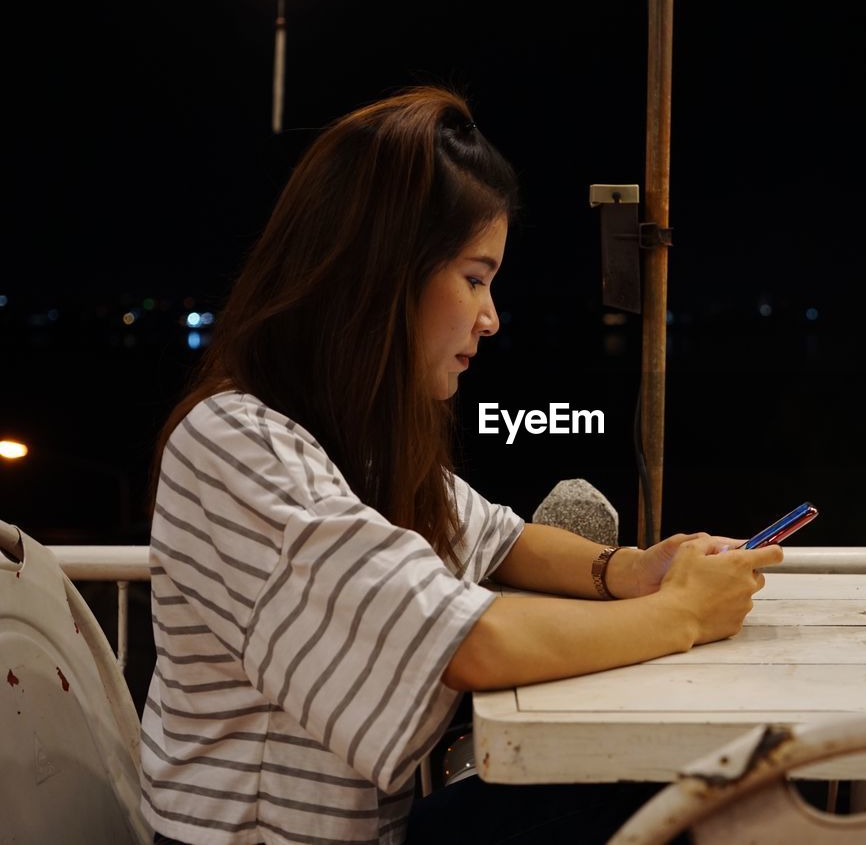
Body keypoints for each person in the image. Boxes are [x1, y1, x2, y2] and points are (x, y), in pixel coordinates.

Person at [143, 85, 782, 845]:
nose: (491, 315)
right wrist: (682, 613)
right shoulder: (235, 445)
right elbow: (466, 643)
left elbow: (501, 537)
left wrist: (633, 569)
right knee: (671, 798)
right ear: (381, 272)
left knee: (667, 790)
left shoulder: (352, 438)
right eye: (475, 278)